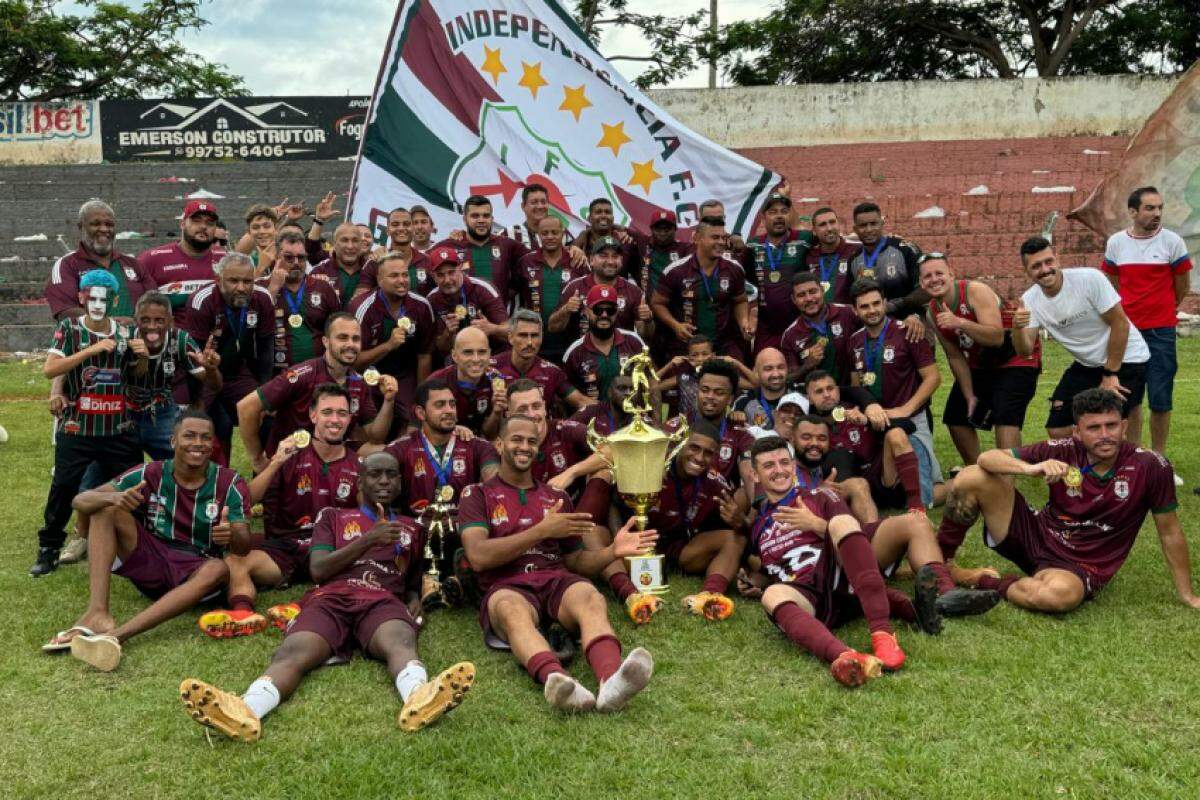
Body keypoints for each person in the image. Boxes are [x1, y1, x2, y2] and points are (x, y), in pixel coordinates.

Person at [180, 452, 476, 740]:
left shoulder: (414, 527)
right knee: (293, 652)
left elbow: (410, 578)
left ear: (400, 482)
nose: (384, 481)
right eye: (375, 474)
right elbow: (319, 569)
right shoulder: (333, 516)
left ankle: (419, 697)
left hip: (381, 598)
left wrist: (413, 597)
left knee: (400, 642)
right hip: (331, 597)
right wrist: (369, 539)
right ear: (360, 483)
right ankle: (245, 709)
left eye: (391, 475)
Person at [935, 389, 1199, 614]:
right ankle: (940, 565)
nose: (1105, 435)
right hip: (1036, 535)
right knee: (971, 476)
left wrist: (1187, 594)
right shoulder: (1061, 448)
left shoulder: (1151, 466)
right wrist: (1032, 468)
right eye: (1094, 428)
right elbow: (987, 458)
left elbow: (1170, 532)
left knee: (1058, 596)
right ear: (1077, 432)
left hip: (1080, 564)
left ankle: (980, 581)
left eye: (1112, 425)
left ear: (1125, 426)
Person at [459, 415, 656, 712]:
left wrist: (611, 552)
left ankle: (612, 681)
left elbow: (576, 560)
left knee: (590, 597)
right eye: (516, 439)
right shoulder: (477, 494)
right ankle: (560, 682)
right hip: (506, 585)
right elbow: (478, 556)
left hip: (555, 577)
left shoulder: (556, 496)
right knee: (512, 611)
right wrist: (541, 530)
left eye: (531, 441)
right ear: (499, 445)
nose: (524, 446)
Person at [42, 411, 249, 671]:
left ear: (213, 444)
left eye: (206, 438)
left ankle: (117, 636)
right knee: (105, 509)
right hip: (154, 558)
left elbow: (243, 546)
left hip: (197, 568)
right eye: (190, 436)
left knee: (219, 569)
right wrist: (114, 498)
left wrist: (233, 535)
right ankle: (97, 614)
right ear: (173, 441)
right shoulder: (152, 472)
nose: (198, 443)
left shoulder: (230, 482)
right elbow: (80, 501)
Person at [741, 436, 911, 687]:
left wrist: (815, 523)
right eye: (768, 466)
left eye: (784, 463)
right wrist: (753, 581)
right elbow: (769, 568)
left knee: (841, 522)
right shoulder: (758, 528)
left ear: (794, 467)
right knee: (772, 595)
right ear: (755, 476)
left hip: (841, 578)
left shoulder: (819, 496)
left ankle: (882, 633)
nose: (779, 470)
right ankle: (846, 657)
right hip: (809, 596)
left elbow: (853, 535)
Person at [202, 384, 363, 638]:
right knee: (235, 561)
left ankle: (298, 608)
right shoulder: (289, 454)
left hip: (329, 551)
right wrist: (275, 462)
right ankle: (243, 614)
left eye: (342, 413)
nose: (335, 420)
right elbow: (247, 500)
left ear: (350, 418)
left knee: (359, 568)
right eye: (327, 412)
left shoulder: (357, 465)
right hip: (285, 548)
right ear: (312, 416)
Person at [33, 271, 144, 576]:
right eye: (91, 297)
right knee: (64, 487)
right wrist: (92, 350)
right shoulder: (69, 328)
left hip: (117, 428)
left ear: (115, 300)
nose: (97, 304)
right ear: (81, 298)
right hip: (78, 427)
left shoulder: (126, 332)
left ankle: (138, 548)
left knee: (132, 486)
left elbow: (135, 376)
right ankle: (49, 548)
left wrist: (144, 358)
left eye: (103, 299)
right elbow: (50, 368)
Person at [602, 423, 745, 624]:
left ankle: (710, 595)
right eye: (694, 448)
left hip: (680, 550)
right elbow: (614, 505)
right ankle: (631, 595)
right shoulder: (652, 467)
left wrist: (740, 522)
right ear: (679, 445)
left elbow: (730, 529)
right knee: (598, 537)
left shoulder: (714, 483)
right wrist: (619, 539)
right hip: (634, 549)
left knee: (734, 538)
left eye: (708, 453)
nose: (699, 458)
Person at [372, 378, 501, 598]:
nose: (449, 410)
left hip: (464, 530)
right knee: (404, 532)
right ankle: (450, 580)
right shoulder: (401, 448)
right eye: (440, 405)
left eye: (452, 404)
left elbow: (495, 481)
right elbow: (374, 483)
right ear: (421, 413)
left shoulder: (478, 446)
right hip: (419, 530)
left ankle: (446, 580)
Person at [1012, 236, 1149, 439]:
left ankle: (1133, 462)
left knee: (1111, 424)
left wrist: (1110, 374)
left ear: (1057, 258)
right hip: (1087, 364)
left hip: (1127, 358)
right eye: (1036, 266)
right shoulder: (1030, 300)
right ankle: (1089, 465)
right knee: (1057, 430)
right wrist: (1017, 327)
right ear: (1027, 271)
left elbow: (1120, 323)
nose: (1044, 269)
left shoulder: (1089, 279)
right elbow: (1024, 351)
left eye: (1048, 261)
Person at [1102, 186, 1192, 476]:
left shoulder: (1173, 242)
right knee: (1131, 398)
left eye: (1159, 208)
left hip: (1161, 332)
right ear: (1132, 212)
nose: (1156, 214)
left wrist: (1164, 309)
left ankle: (1159, 462)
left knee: (1161, 398)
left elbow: (1182, 286)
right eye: (1150, 208)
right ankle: (1135, 459)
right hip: (1127, 333)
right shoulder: (1116, 243)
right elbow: (1111, 283)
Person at [920, 253, 1040, 465]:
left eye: (939, 273)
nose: (934, 279)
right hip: (981, 364)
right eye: (927, 276)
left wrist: (960, 322)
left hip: (1015, 357)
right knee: (956, 418)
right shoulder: (931, 312)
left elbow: (996, 337)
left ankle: (1008, 477)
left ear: (952, 274)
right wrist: (969, 395)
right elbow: (955, 356)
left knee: (1005, 417)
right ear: (921, 283)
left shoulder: (975, 291)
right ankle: (978, 473)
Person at [238, 313, 394, 470]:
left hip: (331, 458)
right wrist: (257, 458)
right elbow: (246, 407)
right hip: (291, 462)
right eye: (342, 337)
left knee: (388, 454)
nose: (350, 344)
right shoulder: (301, 375)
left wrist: (389, 400)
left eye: (356, 339)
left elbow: (376, 437)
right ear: (325, 341)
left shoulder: (359, 383)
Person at [849, 279, 942, 507]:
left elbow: (933, 377)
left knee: (924, 498)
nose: (872, 310)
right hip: (874, 423)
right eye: (864, 306)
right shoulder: (854, 341)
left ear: (885, 303)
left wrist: (906, 409)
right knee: (884, 492)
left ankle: (959, 483)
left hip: (909, 420)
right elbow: (856, 386)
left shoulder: (907, 331)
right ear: (855, 310)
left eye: (876, 304)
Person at [182, 253, 275, 461]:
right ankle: (217, 481)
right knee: (210, 425)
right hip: (204, 375)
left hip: (236, 371)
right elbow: (193, 357)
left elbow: (266, 348)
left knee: (265, 418)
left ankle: (262, 482)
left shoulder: (262, 298)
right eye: (234, 280)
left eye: (247, 281)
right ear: (218, 280)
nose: (241, 287)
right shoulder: (201, 301)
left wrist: (265, 392)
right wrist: (197, 400)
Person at [803, 373, 931, 516]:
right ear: (809, 399)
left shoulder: (859, 408)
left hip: (882, 480)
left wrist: (867, 421)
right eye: (819, 392)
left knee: (896, 434)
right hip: (851, 488)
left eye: (830, 388)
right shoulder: (809, 427)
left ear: (839, 391)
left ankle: (916, 506)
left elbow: (909, 426)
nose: (827, 394)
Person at [125, 291, 222, 460]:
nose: (152, 327)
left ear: (170, 321)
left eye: (159, 321)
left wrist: (211, 369)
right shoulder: (123, 337)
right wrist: (60, 391)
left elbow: (215, 385)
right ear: (136, 320)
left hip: (161, 413)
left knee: (189, 460)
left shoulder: (180, 339)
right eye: (145, 320)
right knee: (99, 475)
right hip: (123, 413)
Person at [652, 216, 752, 361]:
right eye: (715, 237)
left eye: (723, 238)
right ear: (697, 238)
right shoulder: (676, 271)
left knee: (735, 379)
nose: (720, 242)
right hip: (687, 346)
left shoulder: (734, 268)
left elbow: (740, 300)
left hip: (724, 344)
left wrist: (744, 322)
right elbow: (657, 302)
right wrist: (676, 326)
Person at [350, 253, 436, 421]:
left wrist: (421, 398)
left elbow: (424, 355)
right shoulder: (361, 308)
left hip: (404, 376)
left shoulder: (422, 306)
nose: (402, 280)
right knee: (370, 425)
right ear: (380, 280)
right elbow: (354, 362)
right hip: (369, 376)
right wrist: (388, 345)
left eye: (405, 274)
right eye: (394, 275)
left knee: (414, 421)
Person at [46, 199, 153, 323]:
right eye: (95, 224)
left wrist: (135, 323)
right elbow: (65, 311)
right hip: (89, 341)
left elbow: (155, 304)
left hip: (134, 340)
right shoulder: (66, 265)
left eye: (109, 224)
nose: (104, 229)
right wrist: (110, 326)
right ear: (81, 227)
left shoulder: (134, 265)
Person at [260, 229, 342, 374]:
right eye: (289, 258)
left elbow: (338, 328)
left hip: (318, 371)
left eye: (301, 257)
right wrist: (273, 288)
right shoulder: (261, 287)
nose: (296, 262)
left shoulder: (323, 287)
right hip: (275, 373)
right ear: (277, 257)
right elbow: (255, 326)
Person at [742, 192, 814, 352]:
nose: (779, 216)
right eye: (773, 212)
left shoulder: (804, 239)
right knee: (765, 368)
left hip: (799, 320)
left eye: (784, 211)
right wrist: (752, 311)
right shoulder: (753, 245)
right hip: (766, 325)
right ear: (763, 218)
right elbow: (747, 280)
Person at [138, 200, 227, 323]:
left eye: (210, 223)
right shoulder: (153, 259)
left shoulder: (226, 259)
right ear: (182, 224)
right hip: (173, 339)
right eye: (196, 220)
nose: (203, 226)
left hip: (217, 338)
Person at [510, 215, 583, 362]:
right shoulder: (526, 262)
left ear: (563, 233)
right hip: (534, 344)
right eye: (545, 233)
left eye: (554, 232)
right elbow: (511, 294)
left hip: (570, 343)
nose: (550, 237)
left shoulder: (577, 261)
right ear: (538, 234)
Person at [491, 311, 592, 416]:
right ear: (510, 337)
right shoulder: (491, 367)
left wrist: (608, 410)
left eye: (534, 335)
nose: (529, 342)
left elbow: (581, 401)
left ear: (542, 337)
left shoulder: (552, 372)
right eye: (523, 335)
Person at [435, 195, 529, 304]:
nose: (481, 220)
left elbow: (536, 261)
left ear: (492, 219)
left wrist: (510, 291)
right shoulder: (448, 246)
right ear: (465, 219)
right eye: (475, 216)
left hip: (498, 318)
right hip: (460, 318)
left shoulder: (507, 245)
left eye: (486, 216)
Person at [556, 237, 654, 342]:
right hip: (582, 355)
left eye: (615, 256)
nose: (610, 261)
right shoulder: (575, 287)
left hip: (622, 355)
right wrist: (566, 310)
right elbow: (553, 328)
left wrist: (648, 320)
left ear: (621, 260)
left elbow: (645, 334)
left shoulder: (633, 291)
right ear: (591, 260)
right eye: (604, 256)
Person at [562, 285, 648, 403]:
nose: (604, 315)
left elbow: (651, 384)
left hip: (632, 417)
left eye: (610, 310)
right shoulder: (574, 352)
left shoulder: (634, 341)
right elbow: (565, 394)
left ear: (617, 312)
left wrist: (656, 420)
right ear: (587, 311)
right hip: (592, 419)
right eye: (598, 310)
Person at [426, 245, 509, 360]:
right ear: (432, 276)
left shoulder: (483, 289)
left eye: (451, 272)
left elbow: (511, 332)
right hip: (456, 360)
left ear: (460, 267)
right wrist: (447, 333)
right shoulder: (432, 299)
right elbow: (441, 347)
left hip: (492, 356)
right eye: (440, 275)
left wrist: (492, 328)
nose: (448, 280)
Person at [847, 202, 927, 320]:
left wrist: (894, 305)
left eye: (873, 224)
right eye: (863, 225)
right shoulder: (853, 259)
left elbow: (925, 290)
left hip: (909, 325)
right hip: (873, 327)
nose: (869, 229)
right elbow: (854, 299)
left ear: (882, 223)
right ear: (855, 229)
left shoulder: (905, 250)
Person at [780, 272, 861, 385]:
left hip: (854, 392)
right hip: (818, 398)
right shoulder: (790, 335)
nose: (808, 298)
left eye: (813, 291)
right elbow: (788, 378)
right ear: (794, 300)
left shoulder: (848, 313)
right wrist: (807, 365)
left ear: (822, 290)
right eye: (801, 295)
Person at [691, 358, 756, 491]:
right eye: (704, 390)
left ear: (730, 398)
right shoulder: (678, 427)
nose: (710, 396)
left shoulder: (740, 434)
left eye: (719, 392)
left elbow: (750, 474)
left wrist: (743, 512)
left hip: (720, 505)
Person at [427, 327, 503, 436]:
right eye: (468, 352)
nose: (476, 359)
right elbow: (416, 431)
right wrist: (451, 429)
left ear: (489, 353)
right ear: (454, 356)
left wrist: (496, 412)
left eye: (482, 352)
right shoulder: (435, 382)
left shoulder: (496, 379)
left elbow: (490, 435)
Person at [356, 207, 434, 296]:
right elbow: (359, 299)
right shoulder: (375, 261)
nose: (401, 228)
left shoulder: (426, 261)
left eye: (406, 224)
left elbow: (435, 297)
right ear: (388, 230)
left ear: (412, 229)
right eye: (395, 224)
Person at [627, 210, 693, 297]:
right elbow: (617, 228)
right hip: (648, 305)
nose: (662, 233)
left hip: (676, 303)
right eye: (658, 228)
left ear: (675, 229)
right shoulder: (643, 242)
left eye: (667, 229)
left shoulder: (685, 248)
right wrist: (622, 233)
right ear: (651, 229)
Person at [803, 207, 860, 305]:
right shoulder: (808, 255)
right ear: (814, 231)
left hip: (847, 317)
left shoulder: (856, 250)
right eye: (822, 225)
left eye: (832, 222)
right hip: (818, 316)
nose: (829, 228)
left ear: (838, 224)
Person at [311, 222, 375, 302]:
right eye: (344, 240)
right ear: (334, 243)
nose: (350, 246)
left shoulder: (374, 270)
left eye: (355, 240)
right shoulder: (320, 271)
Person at [733, 347, 791, 434]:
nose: (776, 374)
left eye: (780, 367)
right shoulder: (743, 402)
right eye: (768, 369)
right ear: (756, 372)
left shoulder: (801, 396)